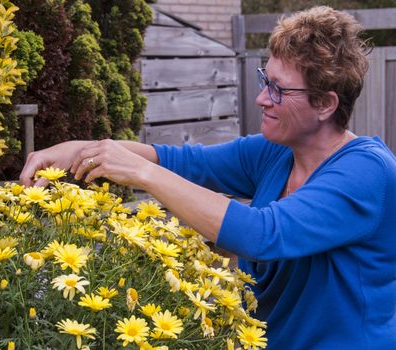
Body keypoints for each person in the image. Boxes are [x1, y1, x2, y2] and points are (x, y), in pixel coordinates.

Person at [20, 6, 396, 349]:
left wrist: (142, 173)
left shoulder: (366, 172)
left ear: (325, 104)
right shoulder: (276, 152)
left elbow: (262, 235)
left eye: (279, 89)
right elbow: (182, 162)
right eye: (267, 79)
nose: (262, 98)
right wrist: (82, 149)